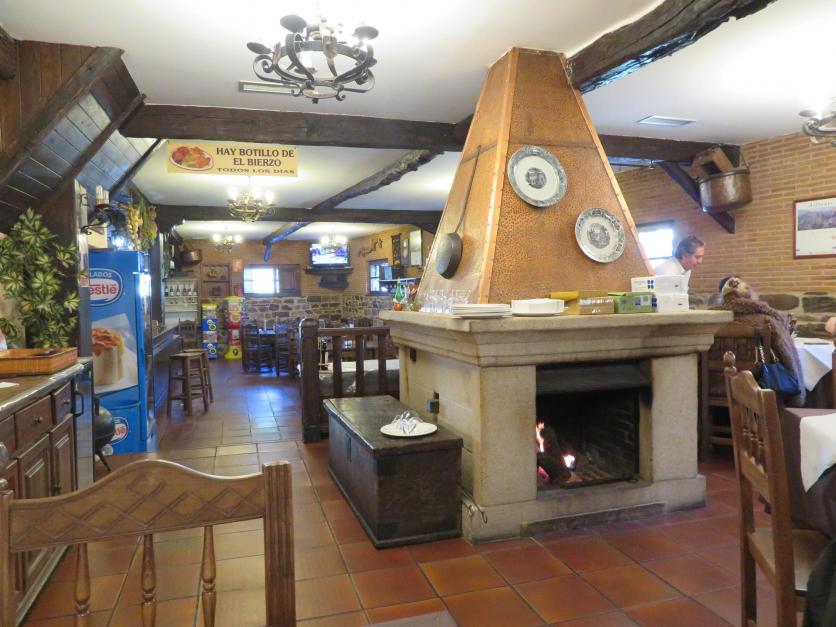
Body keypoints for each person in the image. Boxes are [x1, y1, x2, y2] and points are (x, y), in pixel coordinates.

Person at [712, 276, 806, 407]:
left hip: (715, 385)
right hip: (757, 386)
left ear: (722, 296)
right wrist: (797, 394)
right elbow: (787, 357)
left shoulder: (710, 322)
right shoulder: (767, 321)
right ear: (750, 295)